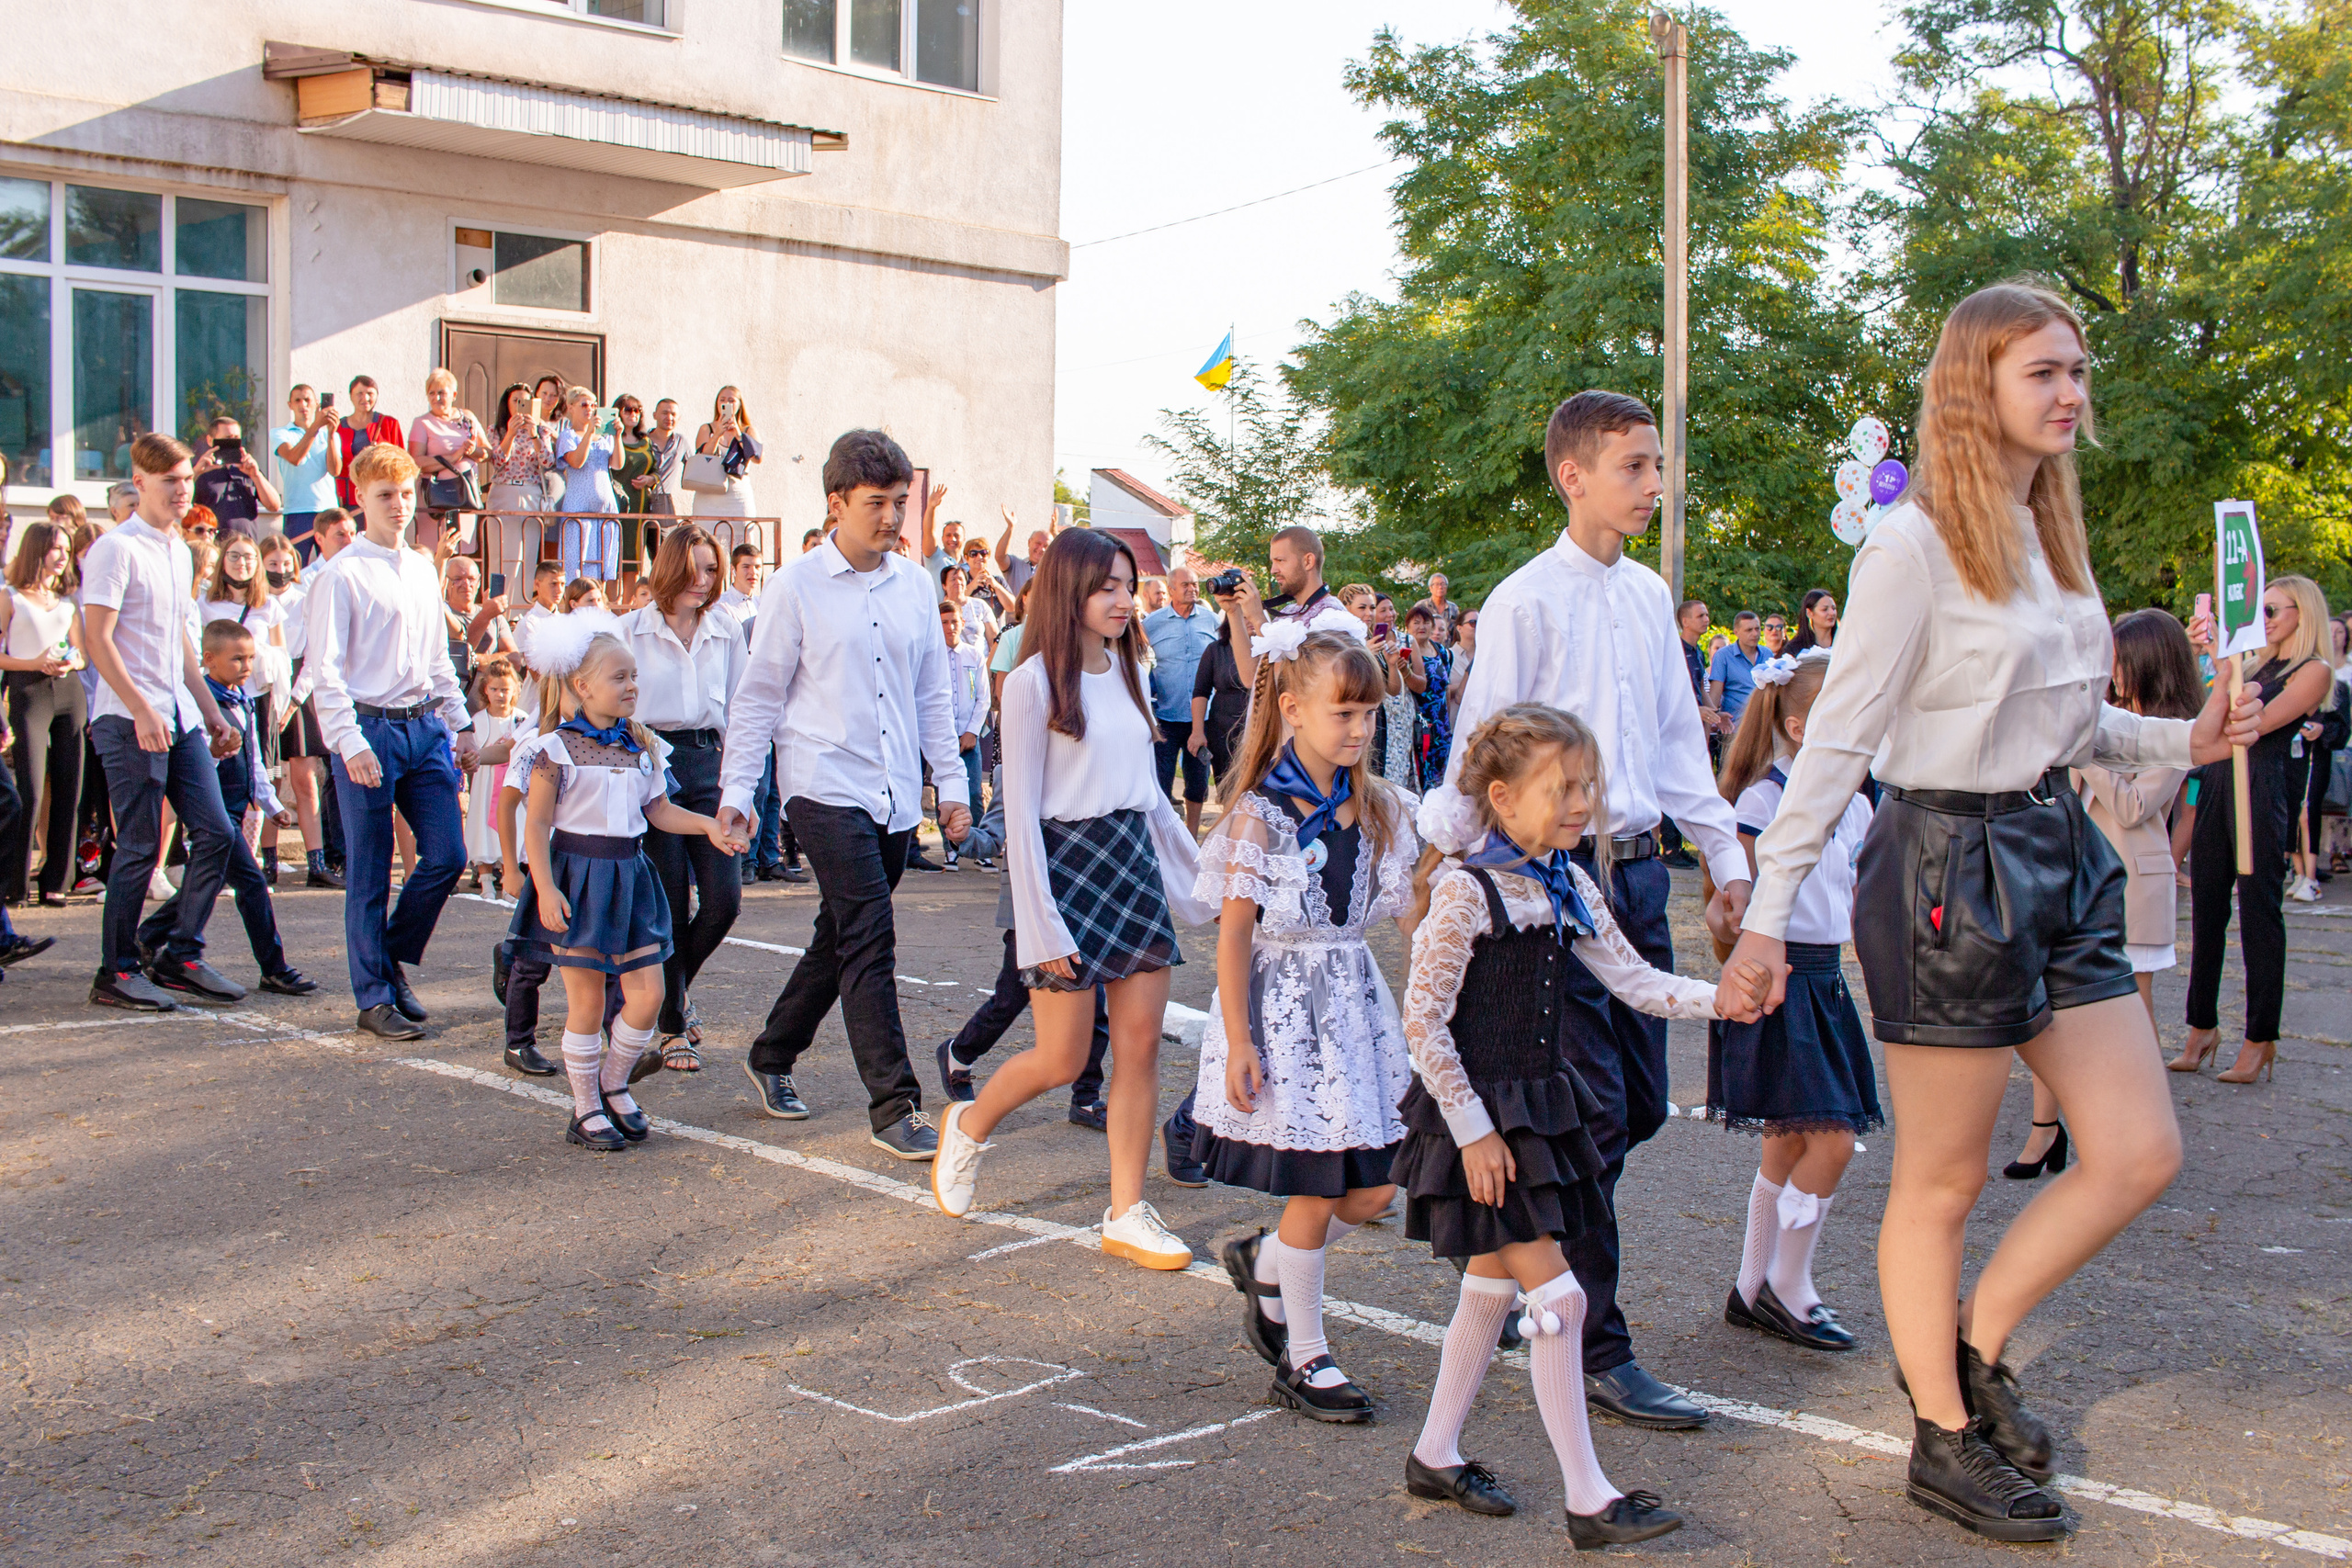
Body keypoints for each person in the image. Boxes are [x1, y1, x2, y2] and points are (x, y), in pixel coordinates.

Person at [1724, 280, 2260, 1542]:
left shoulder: (2050, 532)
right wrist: (1765, 916)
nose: (2071, 392)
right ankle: (1941, 1434)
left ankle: (1969, 1344)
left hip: (2057, 843)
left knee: (2137, 1149)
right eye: (2044, 372)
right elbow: (1837, 741)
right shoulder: (1909, 546)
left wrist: (2184, 735)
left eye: (2077, 370)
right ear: (1977, 386)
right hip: (1942, 866)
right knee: (1944, 1177)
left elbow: (2071, 722)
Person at [1417, 389, 1749, 1433]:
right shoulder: (1524, 600)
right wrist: (1457, 873)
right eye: (1634, 466)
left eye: (1656, 466)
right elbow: (1484, 750)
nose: (1654, 485)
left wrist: (1726, 857)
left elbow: (1676, 745)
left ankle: (1524, 1258)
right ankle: (1593, 1341)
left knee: (1636, 1108)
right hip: (1551, 881)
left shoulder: (1651, 596)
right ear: (1574, 476)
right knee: (1589, 1113)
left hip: (1638, 876)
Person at [1396, 705, 1763, 1546]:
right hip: (1479, 1123)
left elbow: (1635, 981)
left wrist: (1722, 1000)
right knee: (1559, 1297)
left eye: (1588, 786)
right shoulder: (1465, 891)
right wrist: (1473, 1130)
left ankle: (1435, 1452)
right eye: (1561, 787)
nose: (1581, 803)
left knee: (1490, 1285)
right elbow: (1424, 1020)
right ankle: (1590, 1499)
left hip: (1536, 1112)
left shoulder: (1565, 881)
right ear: (1501, 796)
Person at [928, 527, 1212, 1267]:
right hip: (1063, 867)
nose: (1123, 600)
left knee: (1140, 1047)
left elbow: (1150, 795)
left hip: (1130, 861)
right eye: (1106, 585)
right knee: (1061, 1057)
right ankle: (970, 1125)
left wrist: (1204, 878)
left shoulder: (1131, 667)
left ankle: (1126, 1210)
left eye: (1128, 586)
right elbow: (1020, 814)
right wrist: (1040, 925)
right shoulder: (1029, 683)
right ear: (1069, 589)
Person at [717, 429, 971, 1159]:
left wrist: (950, 788)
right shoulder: (794, 586)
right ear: (836, 503)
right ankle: (895, 1105)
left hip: (893, 795)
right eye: (876, 503)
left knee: (842, 934)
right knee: (869, 933)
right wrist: (739, 790)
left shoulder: (915, 585)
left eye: (900, 502)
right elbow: (758, 697)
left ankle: (772, 1051)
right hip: (821, 784)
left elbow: (933, 697)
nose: (891, 517)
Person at [1194, 627, 1424, 1421]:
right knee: (1318, 1185)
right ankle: (1306, 1354)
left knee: (1375, 1187)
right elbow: (1233, 933)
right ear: (1293, 710)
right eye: (1344, 713)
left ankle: (1268, 1261)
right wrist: (1240, 1038)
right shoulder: (1260, 814)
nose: (1360, 729)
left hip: (1354, 1009)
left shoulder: (1383, 806)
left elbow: (1409, 912)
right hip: (1287, 1015)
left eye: (1370, 714)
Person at [509, 612, 743, 1150]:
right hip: (578, 877)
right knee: (588, 1002)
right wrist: (545, 888)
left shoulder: (643, 744)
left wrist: (709, 826)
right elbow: (537, 824)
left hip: (632, 877)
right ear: (582, 686)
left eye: (634, 675)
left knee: (649, 993)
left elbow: (659, 810)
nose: (632, 685)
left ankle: (613, 1084)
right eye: (619, 677)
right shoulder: (554, 749)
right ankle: (585, 1107)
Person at [1705, 650, 1880, 1352]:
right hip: (1780, 980)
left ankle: (1752, 1288)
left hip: (1825, 980)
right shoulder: (1763, 799)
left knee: (1787, 1140)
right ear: (1802, 727)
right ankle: (1788, 1283)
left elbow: (1853, 897)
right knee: (1831, 1136)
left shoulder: (1858, 802)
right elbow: (1741, 903)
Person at [2000, 609, 2197, 1177]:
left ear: (2150, 663)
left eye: (2121, 660)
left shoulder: (2174, 729)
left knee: (2131, 1014)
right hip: (2076, 878)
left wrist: (2086, 752)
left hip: (2136, 886)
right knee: (2049, 1005)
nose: (2111, 670)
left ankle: (2138, 1132)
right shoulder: (2102, 721)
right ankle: (2043, 1130)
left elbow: (2134, 806)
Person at [306, 442, 481, 1041]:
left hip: (423, 726)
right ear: (361, 498)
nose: (399, 505)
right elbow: (325, 670)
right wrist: (348, 741)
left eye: (406, 493)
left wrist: (460, 723)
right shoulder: (341, 574)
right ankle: (375, 995)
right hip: (369, 729)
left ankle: (388, 957)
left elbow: (438, 658)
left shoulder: (422, 567)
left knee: (448, 854)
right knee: (370, 871)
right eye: (386, 495)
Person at [80, 433, 244, 1010]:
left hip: (178, 715)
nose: (181, 490)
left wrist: (212, 711)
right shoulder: (115, 549)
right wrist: (141, 708)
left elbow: (180, 644)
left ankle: (176, 953)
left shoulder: (178, 548)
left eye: (186, 480)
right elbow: (97, 640)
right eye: (170, 481)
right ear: (140, 482)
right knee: (140, 847)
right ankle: (116, 971)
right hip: (128, 718)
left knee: (218, 834)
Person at [2179, 573, 2334, 1085]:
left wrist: (2227, 671)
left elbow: (2256, 722)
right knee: (2206, 908)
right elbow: (2211, 719)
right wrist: (2217, 661)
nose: (2261, 619)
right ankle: (2201, 1026)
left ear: (2301, 614)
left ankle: (2259, 1037)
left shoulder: (2313, 670)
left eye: (2271, 610)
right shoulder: (2252, 664)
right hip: (2220, 781)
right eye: (2258, 609)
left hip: (2263, 789)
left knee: (2259, 915)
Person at [624, 523, 747, 1074]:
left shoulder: (726, 628)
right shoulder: (629, 629)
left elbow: (744, 712)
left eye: (712, 569)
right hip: (652, 764)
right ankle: (672, 1025)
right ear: (669, 567)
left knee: (724, 902)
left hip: (711, 764)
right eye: (693, 568)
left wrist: (744, 790)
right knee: (671, 905)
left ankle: (670, 992)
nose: (703, 580)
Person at [147, 620, 319, 996]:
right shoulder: (198, 703)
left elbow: (254, 759)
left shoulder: (244, 701)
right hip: (212, 811)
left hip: (236, 809)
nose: (246, 667)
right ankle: (274, 968)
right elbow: (193, 765)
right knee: (250, 884)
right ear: (208, 659)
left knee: (204, 883)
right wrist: (212, 754)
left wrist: (271, 804)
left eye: (251, 658)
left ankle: (144, 941)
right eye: (237, 659)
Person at [0, 521, 85, 907]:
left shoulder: (68, 602)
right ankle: (15, 882)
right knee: (30, 790)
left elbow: (83, 654)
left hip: (68, 691)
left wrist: (70, 661)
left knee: (70, 786)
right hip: (28, 690)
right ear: (37, 550)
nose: (62, 557)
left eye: (67, 550)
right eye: (56, 549)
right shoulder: (10, 597)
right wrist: (34, 662)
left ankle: (57, 881)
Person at [1212, 525, 1359, 688]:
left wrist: (1259, 619)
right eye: (1273, 562)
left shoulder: (1334, 617)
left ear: (1308, 561)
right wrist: (1233, 612)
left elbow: (1308, 682)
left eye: (1280, 561)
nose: (1273, 570)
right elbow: (1251, 678)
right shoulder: (1288, 612)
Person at [1144, 564, 1221, 835]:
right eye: (1185, 585)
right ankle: (1164, 838)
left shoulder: (1212, 620)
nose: (1192, 589)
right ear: (1172, 589)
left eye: (1195, 584)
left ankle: (1191, 835)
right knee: (1161, 780)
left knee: (1198, 781)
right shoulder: (1152, 623)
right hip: (1166, 716)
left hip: (1202, 718)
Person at [406, 369, 488, 554]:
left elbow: (487, 452)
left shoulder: (468, 417)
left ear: (454, 394)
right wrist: (452, 458)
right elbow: (415, 461)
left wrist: (473, 451)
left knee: (462, 549)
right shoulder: (422, 423)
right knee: (432, 549)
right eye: (432, 393)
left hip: (464, 494)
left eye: (442, 393)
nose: (436, 398)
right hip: (435, 498)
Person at [464, 657, 526, 895]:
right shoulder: (478, 720)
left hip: (513, 782)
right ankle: (486, 880)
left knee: (514, 825)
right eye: (495, 689)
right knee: (483, 825)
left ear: (515, 691)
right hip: (486, 784)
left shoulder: (521, 719)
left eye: (506, 690)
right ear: (485, 690)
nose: (501, 695)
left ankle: (510, 878)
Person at [487, 381, 555, 595]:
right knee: (500, 554)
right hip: (503, 491)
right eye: (515, 401)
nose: (519, 406)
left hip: (530, 492)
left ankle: (521, 605)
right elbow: (497, 461)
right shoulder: (496, 429)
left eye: (524, 402)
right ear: (507, 404)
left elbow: (548, 461)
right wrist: (510, 434)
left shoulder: (541, 430)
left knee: (526, 555)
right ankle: (498, 604)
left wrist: (534, 435)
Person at [553, 387, 623, 586]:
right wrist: (588, 433)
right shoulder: (568, 436)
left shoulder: (605, 437)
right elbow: (576, 462)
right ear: (571, 407)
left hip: (605, 508)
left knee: (603, 563)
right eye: (584, 405)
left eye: (593, 405)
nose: (590, 409)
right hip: (578, 508)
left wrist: (618, 436)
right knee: (576, 564)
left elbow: (617, 464)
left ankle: (600, 599)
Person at [939, 598, 989, 870]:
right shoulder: (932, 657)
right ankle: (951, 849)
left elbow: (983, 698)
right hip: (943, 736)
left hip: (968, 737)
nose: (950, 627)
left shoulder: (974, 655)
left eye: (954, 621)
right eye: (944, 622)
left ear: (963, 622)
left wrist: (971, 732)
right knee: (946, 793)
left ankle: (978, 847)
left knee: (973, 793)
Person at [272, 386, 342, 558]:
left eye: (307, 400)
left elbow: (335, 470)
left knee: (332, 563)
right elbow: (294, 458)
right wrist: (315, 426)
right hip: (297, 510)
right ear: (290, 405)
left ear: (316, 404)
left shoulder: (329, 435)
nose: (303, 405)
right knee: (295, 563)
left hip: (327, 509)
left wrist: (331, 435)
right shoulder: (280, 433)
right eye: (297, 400)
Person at [1189, 610, 1252, 783]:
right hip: (1222, 733)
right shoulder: (1215, 650)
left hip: (1257, 731)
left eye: (1252, 615)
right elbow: (1201, 692)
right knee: (1227, 787)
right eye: (1244, 617)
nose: (1249, 620)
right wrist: (1197, 731)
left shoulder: (1266, 650)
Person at [333, 377, 404, 513]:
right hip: (347, 498)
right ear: (351, 396)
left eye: (370, 393)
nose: (365, 398)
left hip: (380, 496)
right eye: (359, 393)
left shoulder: (389, 424)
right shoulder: (338, 427)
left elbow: (400, 462)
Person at [1404, 600, 1455, 789]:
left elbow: (1446, 687)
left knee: (1443, 774)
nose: (1421, 627)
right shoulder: (1405, 652)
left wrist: (1447, 720)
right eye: (1416, 622)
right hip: (1419, 724)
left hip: (1441, 723)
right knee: (1422, 773)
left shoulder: (1441, 651)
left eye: (1426, 622)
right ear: (1408, 627)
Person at [691, 386, 762, 519]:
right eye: (722, 400)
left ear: (739, 404)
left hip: (738, 496)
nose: (726, 403)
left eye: (731, 400)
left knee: (742, 531)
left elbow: (757, 458)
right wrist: (717, 434)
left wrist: (739, 435)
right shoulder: (706, 429)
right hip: (708, 496)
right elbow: (702, 457)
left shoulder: (749, 431)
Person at [1707, 611, 1766, 724]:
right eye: (1749, 630)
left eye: (1757, 629)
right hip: (1736, 725)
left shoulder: (1767, 654)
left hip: (1764, 723)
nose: (1755, 634)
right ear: (1736, 632)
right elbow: (1715, 695)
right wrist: (1710, 725)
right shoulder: (1723, 656)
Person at [993, 507, 1057, 597]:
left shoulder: (1052, 570)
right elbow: (1000, 557)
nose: (1041, 549)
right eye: (1038, 543)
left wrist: (1055, 533)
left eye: (1046, 546)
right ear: (1029, 542)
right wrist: (1010, 527)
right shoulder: (1015, 565)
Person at [640, 398, 686, 519]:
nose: (669, 417)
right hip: (640, 499)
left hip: (663, 503)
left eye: (673, 414)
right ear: (654, 415)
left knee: (666, 532)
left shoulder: (680, 442)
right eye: (665, 413)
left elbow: (694, 467)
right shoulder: (642, 440)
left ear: (679, 418)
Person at [718, 544, 762, 624]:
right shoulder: (721, 606)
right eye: (746, 567)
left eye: (757, 567)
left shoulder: (762, 604)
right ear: (733, 569)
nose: (753, 572)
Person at [1788, 589, 1838, 655]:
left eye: (1833, 608)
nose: (1832, 613)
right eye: (1825, 609)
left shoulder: (1845, 642)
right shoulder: (1794, 648)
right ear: (1809, 613)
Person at [1424, 572, 1462, 644]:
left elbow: (1458, 632)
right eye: (1437, 584)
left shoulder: (1453, 608)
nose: (1440, 587)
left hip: (1448, 648)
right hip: (1426, 647)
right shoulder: (1422, 606)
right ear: (1430, 588)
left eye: (1443, 584)